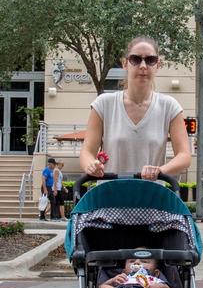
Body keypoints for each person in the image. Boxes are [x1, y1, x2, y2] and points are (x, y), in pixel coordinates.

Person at [79, 36, 191, 181]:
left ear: (158, 64)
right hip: (110, 196)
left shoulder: (170, 107)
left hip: (151, 197)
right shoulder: (103, 104)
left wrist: (159, 170)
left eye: (150, 60)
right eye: (136, 59)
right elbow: (86, 152)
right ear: (125, 63)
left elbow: (184, 156)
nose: (143, 66)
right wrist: (91, 165)